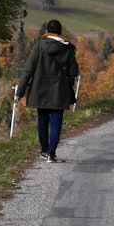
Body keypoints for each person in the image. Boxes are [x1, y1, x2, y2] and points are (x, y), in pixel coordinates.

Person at [18, 19, 80, 163]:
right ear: (59, 33)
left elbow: (28, 70)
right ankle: (51, 154)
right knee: (56, 121)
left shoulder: (39, 45)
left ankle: (44, 150)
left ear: (47, 31)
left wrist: (20, 92)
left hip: (40, 89)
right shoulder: (67, 48)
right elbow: (74, 71)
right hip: (60, 90)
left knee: (42, 120)